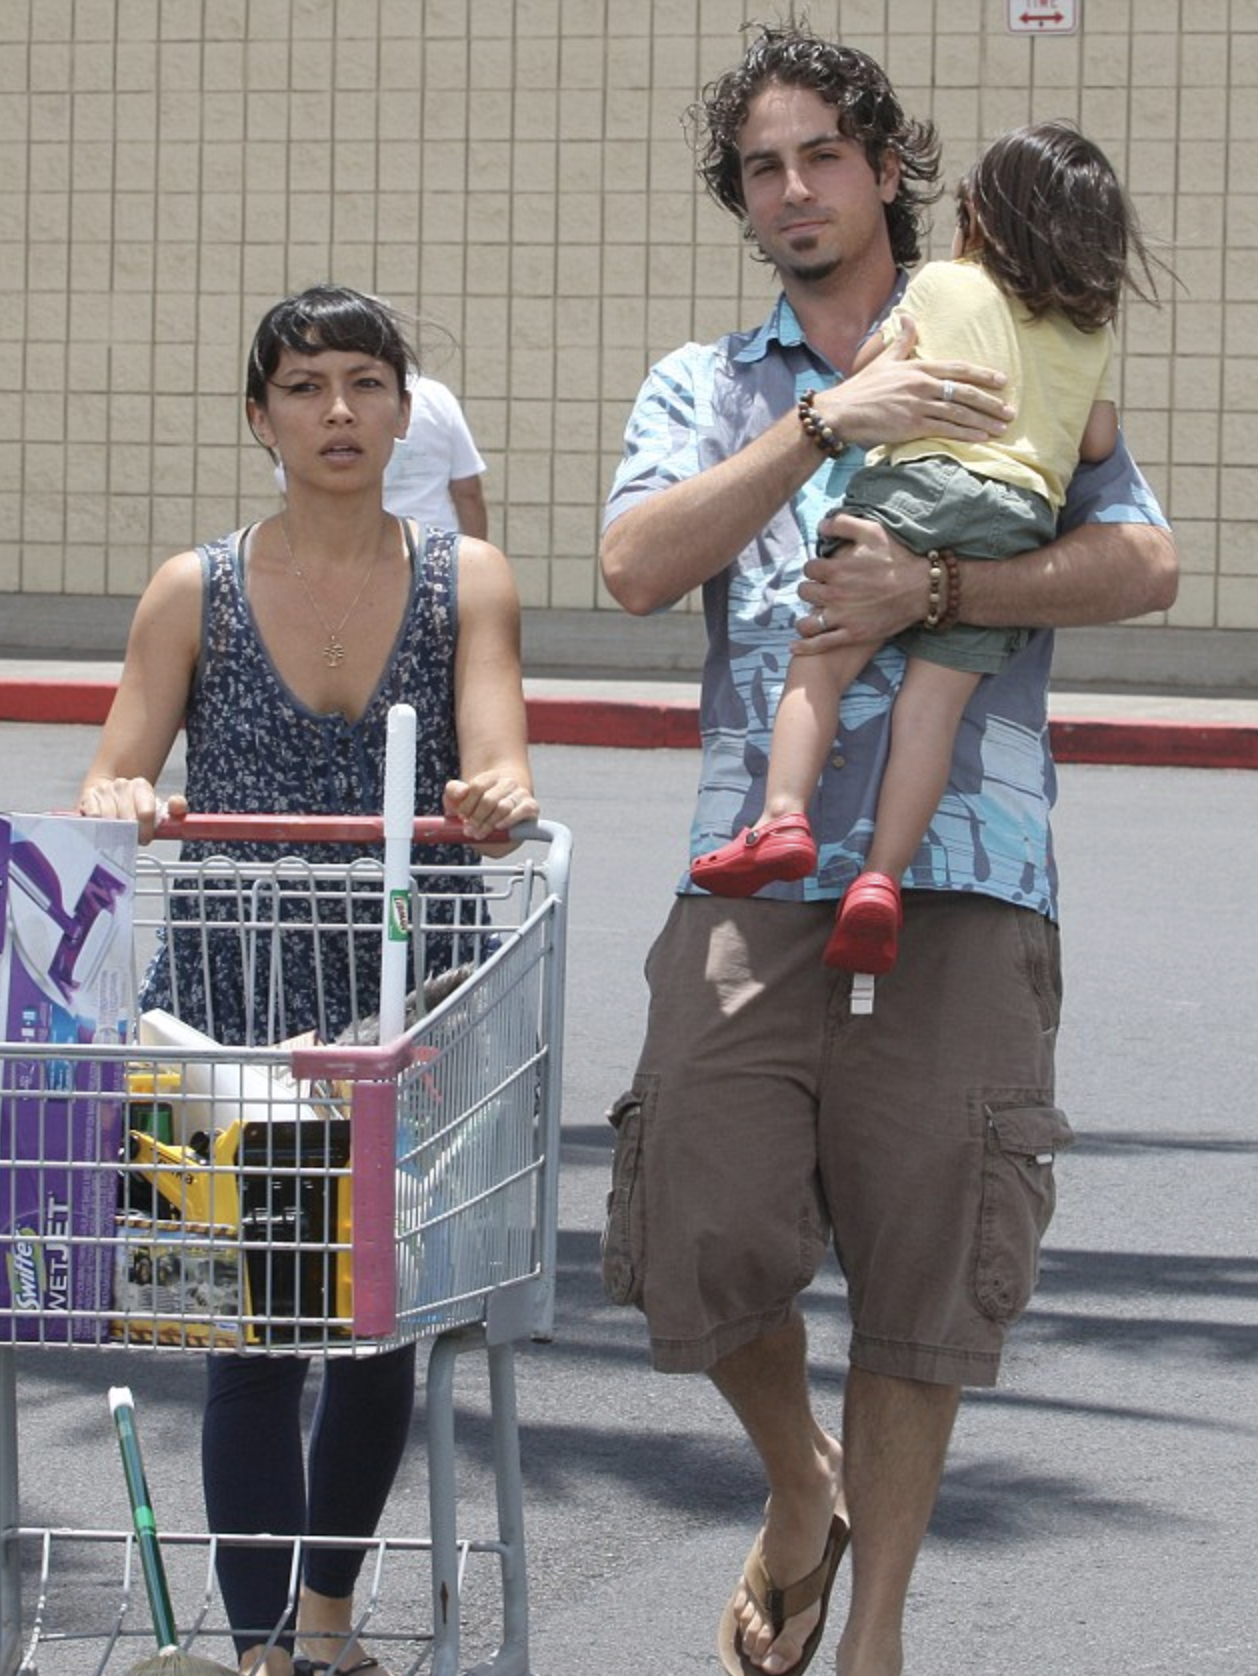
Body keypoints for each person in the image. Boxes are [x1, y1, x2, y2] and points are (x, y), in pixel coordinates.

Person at [599, 25, 1176, 1676]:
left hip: (969, 876)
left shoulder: (1025, 324)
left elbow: (1137, 558)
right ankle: (801, 1491)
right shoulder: (705, 386)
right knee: (695, 1224)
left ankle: (878, 1637)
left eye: (820, 156)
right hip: (752, 873)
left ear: (888, 167)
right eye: (762, 166)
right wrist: (822, 421)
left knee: (926, 1272)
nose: (791, 188)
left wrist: (938, 595)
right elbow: (637, 563)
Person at [78, 284, 538, 1676]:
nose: (338, 412)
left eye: (366, 383)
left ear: (407, 409)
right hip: (223, 995)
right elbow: (114, 764)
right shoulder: (194, 587)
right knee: (250, 1338)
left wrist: (500, 786)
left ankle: (327, 1624)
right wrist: (122, 799)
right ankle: (265, 1648)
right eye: (305, 387)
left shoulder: (469, 577)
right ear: (259, 416)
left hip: (406, 995)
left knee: (378, 1329)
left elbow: (498, 743)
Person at [689, 120, 1159, 978]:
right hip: (1016, 518)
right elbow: (1095, 443)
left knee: (821, 661)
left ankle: (784, 814)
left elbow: (875, 365)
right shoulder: (1090, 337)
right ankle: (882, 880)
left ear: (978, 216)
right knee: (931, 713)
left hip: (920, 489)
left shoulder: (944, 284)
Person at [383, 373, 489, 537]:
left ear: (405, 408)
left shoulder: (343, 402)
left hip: (360, 544)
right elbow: (468, 492)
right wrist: (477, 556)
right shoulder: (436, 396)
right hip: (435, 543)